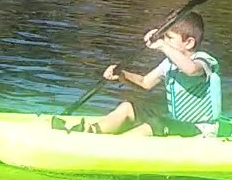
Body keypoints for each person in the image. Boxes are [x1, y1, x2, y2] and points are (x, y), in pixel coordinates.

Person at [86, 11, 222, 137]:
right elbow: (145, 83)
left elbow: (191, 70)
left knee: (156, 123)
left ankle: (114, 146)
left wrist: (163, 45)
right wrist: (122, 75)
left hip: (200, 130)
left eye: (169, 37)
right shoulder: (168, 64)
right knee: (128, 108)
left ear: (188, 43)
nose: (164, 41)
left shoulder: (204, 60)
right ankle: (90, 132)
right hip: (177, 123)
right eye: (164, 37)